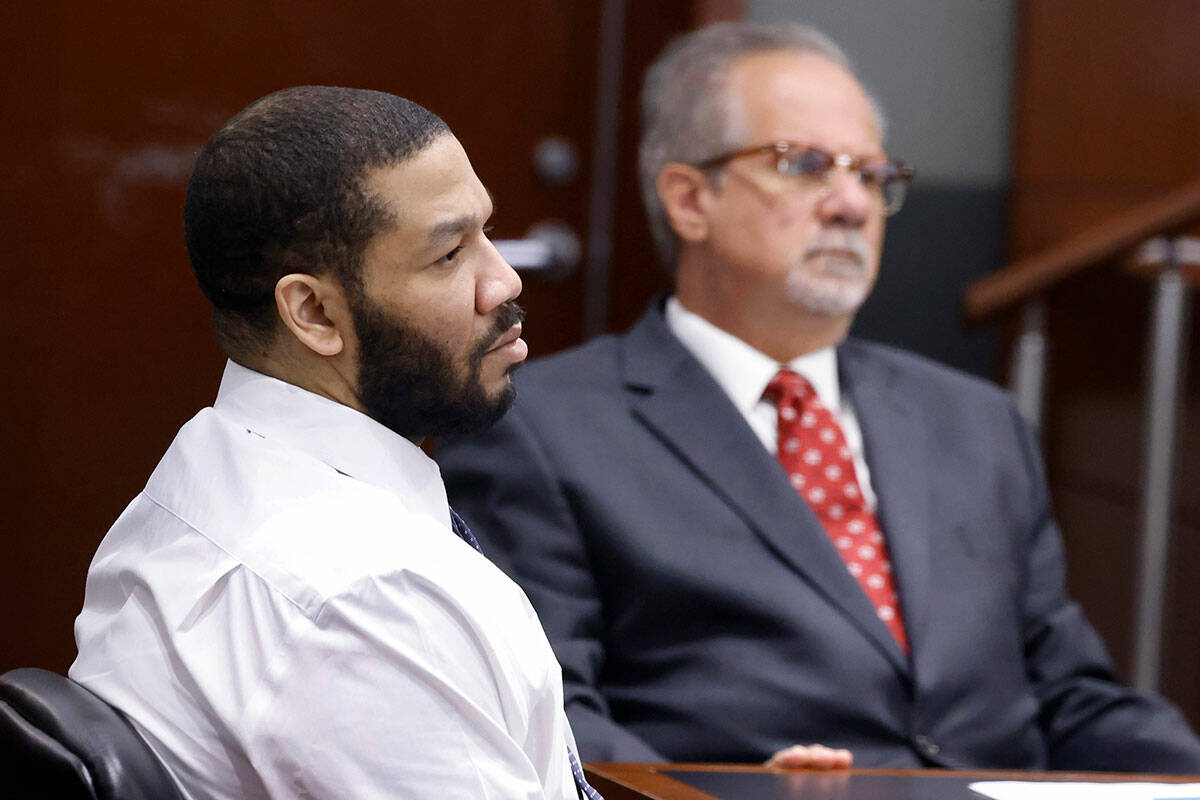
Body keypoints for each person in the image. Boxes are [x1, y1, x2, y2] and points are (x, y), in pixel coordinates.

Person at [437, 22, 1200, 771]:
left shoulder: (976, 420)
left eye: (871, 175)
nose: (851, 205)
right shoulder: (540, 427)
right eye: (805, 165)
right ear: (689, 199)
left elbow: (1070, 694)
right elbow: (551, 715)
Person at [69, 86, 607, 799]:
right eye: (449, 254)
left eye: (486, 232)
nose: (502, 278)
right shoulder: (369, 601)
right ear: (315, 313)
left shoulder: (207, 467)